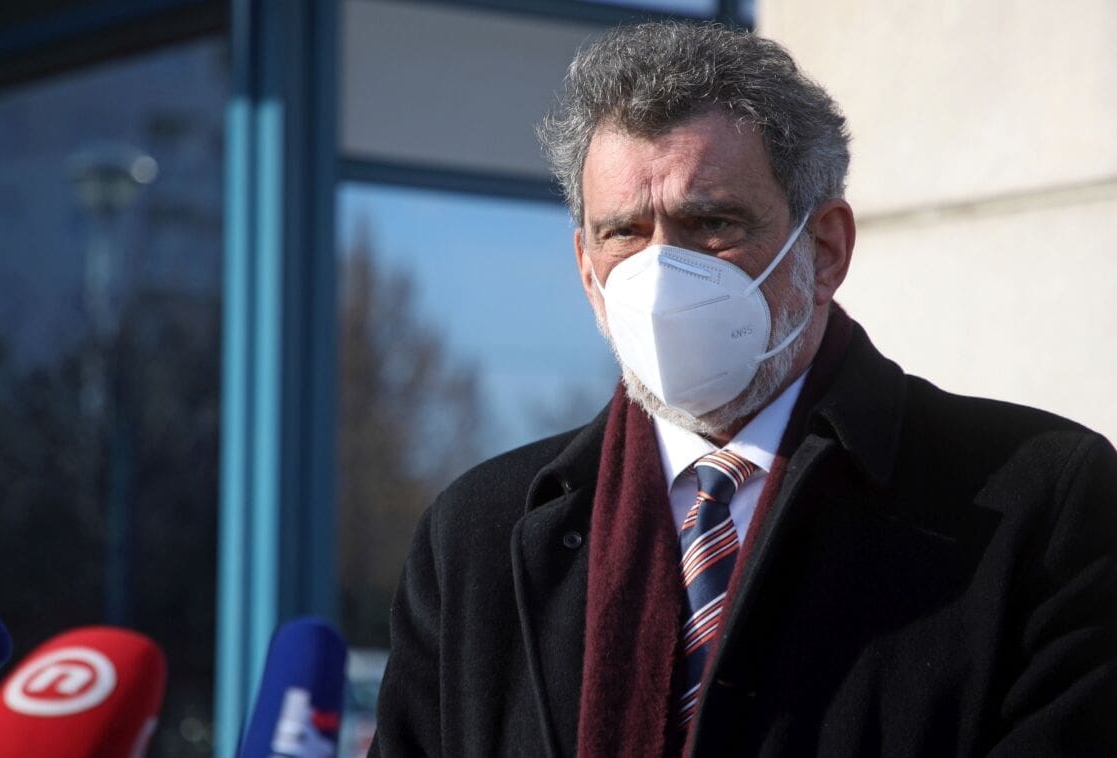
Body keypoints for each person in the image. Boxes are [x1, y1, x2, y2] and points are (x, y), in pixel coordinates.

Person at [368, 21, 1117, 758]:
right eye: (624, 232)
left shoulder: (1039, 503)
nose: (661, 274)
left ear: (825, 249)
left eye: (711, 223)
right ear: (587, 271)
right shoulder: (478, 538)